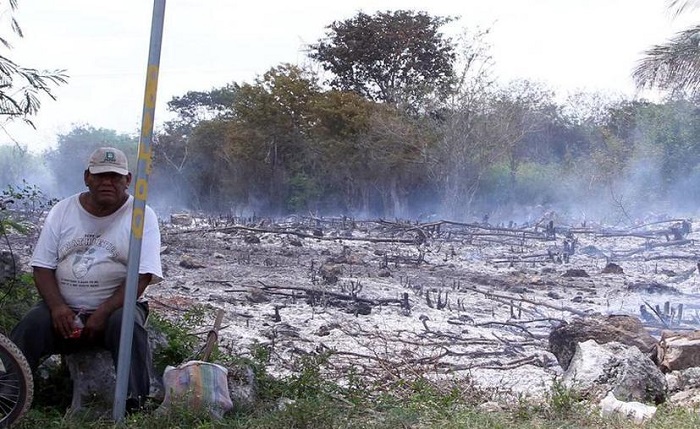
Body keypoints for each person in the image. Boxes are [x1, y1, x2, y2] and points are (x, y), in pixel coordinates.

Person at [10, 146, 163, 410]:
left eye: (115, 177)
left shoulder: (141, 215)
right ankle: (9, 392)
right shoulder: (62, 211)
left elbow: (142, 275)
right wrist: (58, 307)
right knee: (30, 327)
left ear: (127, 180)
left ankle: (134, 404)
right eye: (101, 175)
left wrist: (103, 311)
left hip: (114, 308)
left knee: (128, 326)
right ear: (87, 177)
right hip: (63, 311)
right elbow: (42, 267)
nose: (107, 182)